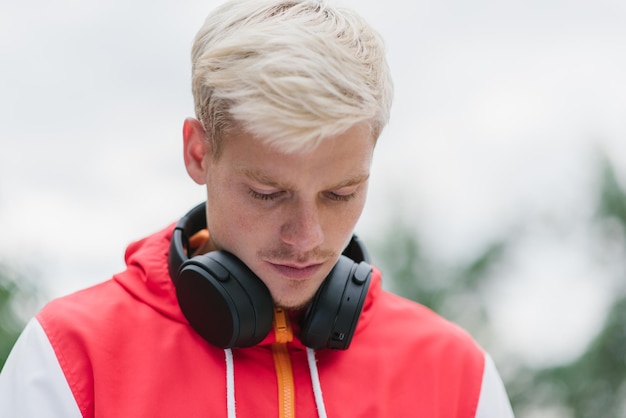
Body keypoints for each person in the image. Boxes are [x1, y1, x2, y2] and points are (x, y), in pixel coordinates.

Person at [0, 0, 515, 416]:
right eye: (267, 194)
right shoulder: (68, 360)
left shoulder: (457, 378)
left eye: (340, 194)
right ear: (198, 152)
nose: (306, 236)